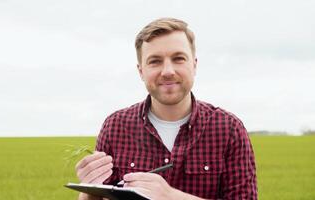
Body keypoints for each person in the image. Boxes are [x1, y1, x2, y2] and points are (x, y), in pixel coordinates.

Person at [75, 17, 257, 200]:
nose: (168, 71)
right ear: (141, 71)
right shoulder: (115, 126)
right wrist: (88, 190)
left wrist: (171, 196)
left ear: (194, 65)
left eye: (178, 58)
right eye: (155, 61)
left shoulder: (229, 129)